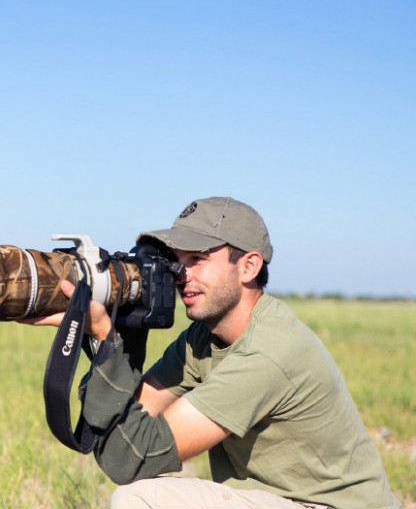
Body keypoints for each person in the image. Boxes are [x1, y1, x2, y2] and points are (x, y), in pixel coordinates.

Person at [23, 197, 399, 509]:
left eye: (197, 259)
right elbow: (125, 425)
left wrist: (106, 336)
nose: (180, 275)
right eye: (176, 260)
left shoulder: (267, 352)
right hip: (278, 501)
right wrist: (118, 330)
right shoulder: (203, 337)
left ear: (248, 266)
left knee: (140, 500)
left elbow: (130, 458)